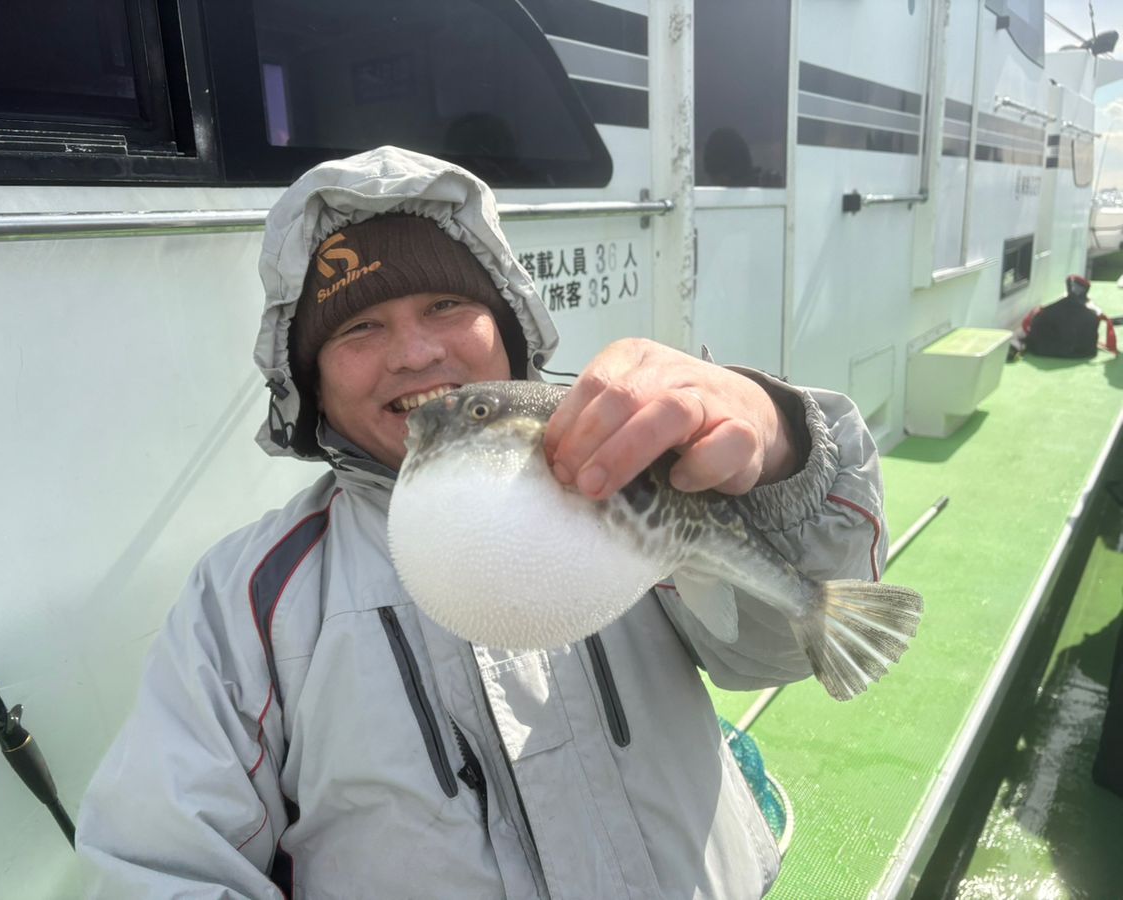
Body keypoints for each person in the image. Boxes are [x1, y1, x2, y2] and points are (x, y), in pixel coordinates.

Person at [77, 145, 893, 899]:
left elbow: (770, 649)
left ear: (506, 329)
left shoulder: (619, 467)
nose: (416, 355)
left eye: (447, 303)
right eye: (359, 327)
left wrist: (782, 445)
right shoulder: (249, 599)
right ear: (309, 383)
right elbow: (159, 865)